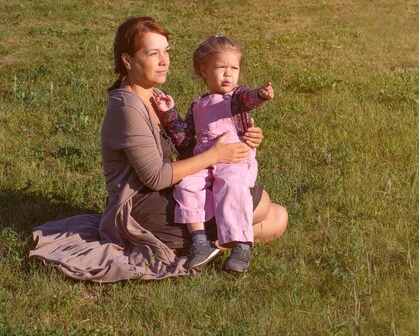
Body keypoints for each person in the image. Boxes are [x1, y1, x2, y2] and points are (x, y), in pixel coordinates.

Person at [29, 17, 288, 282]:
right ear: (128, 60)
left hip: (165, 193)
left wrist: (242, 138)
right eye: (153, 53)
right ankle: (200, 243)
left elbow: (188, 149)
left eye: (166, 51)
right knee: (263, 206)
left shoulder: (155, 97)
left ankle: (208, 242)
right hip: (141, 209)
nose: (164, 61)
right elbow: (156, 177)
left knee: (277, 216)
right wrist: (215, 155)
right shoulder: (127, 108)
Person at [155, 35, 274, 273]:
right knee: (185, 183)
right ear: (204, 71)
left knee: (231, 185)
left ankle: (241, 244)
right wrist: (169, 113)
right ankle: (199, 240)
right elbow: (184, 138)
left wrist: (260, 95)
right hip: (207, 159)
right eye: (221, 67)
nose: (228, 74)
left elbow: (249, 99)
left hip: (234, 158)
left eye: (234, 68)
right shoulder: (198, 104)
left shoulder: (237, 98)